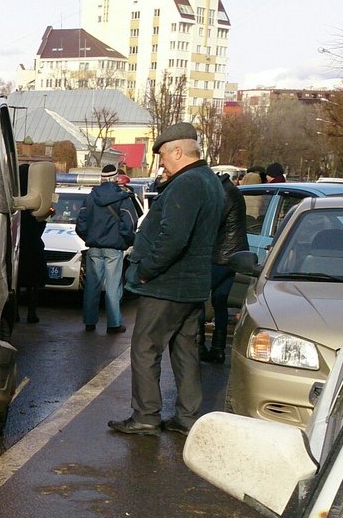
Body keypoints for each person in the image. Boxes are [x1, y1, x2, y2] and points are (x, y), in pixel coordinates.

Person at [108, 122, 224, 436]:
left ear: (177, 150)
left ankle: (146, 416)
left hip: (167, 285)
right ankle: (187, 417)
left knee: (145, 348)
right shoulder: (209, 181)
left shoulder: (187, 183)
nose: (162, 163)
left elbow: (173, 237)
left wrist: (146, 271)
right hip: (193, 285)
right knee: (185, 351)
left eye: (163, 156)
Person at [77, 163, 137, 333]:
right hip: (114, 248)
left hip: (94, 248)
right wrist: (127, 241)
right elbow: (130, 223)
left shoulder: (90, 198)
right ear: (116, 178)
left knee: (92, 286)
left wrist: (89, 238)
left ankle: (89, 322)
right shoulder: (123, 198)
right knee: (113, 287)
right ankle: (114, 324)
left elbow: (80, 224)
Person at [198, 172, 249, 363]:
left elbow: (213, 222)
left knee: (199, 298)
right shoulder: (230, 190)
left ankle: (199, 345)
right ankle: (218, 349)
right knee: (220, 302)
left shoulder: (225, 193)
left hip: (221, 255)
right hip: (232, 255)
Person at [17, 198, 49, 323]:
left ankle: (16, 313)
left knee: (17, 284)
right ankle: (31, 313)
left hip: (20, 250)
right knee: (33, 286)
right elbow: (41, 226)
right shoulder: (38, 215)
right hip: (34, 251)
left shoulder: (18, 215)